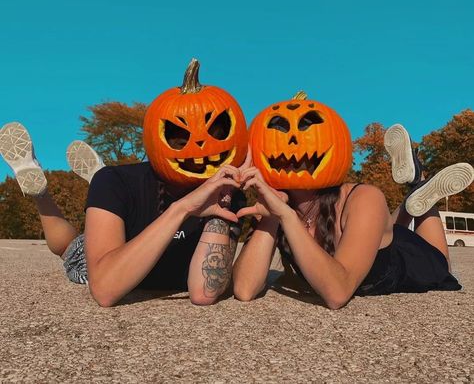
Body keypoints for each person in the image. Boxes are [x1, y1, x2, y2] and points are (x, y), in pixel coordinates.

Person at [233, 117, 473, 310]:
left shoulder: (364, 197)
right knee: (388, 226)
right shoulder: (275, 206)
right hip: (376, 238)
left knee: (442, 265)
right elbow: (244, 289)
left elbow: (337, 293)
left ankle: (420, 184)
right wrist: (272, 217)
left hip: (412, 260)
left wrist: (286, 216)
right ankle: (413, 195)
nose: (292, 146)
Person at [0, 121, 248, 307]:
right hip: (115, 256)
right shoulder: (122, 182)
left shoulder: (229, 195)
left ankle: (98, 190)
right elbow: (106, 290)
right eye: (184, 142)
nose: (199, 150)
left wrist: (225, 196)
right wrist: (183, 208)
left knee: (75, 239)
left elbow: (204, 292)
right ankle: (40, 194)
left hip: (123, 207)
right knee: (70, 248)